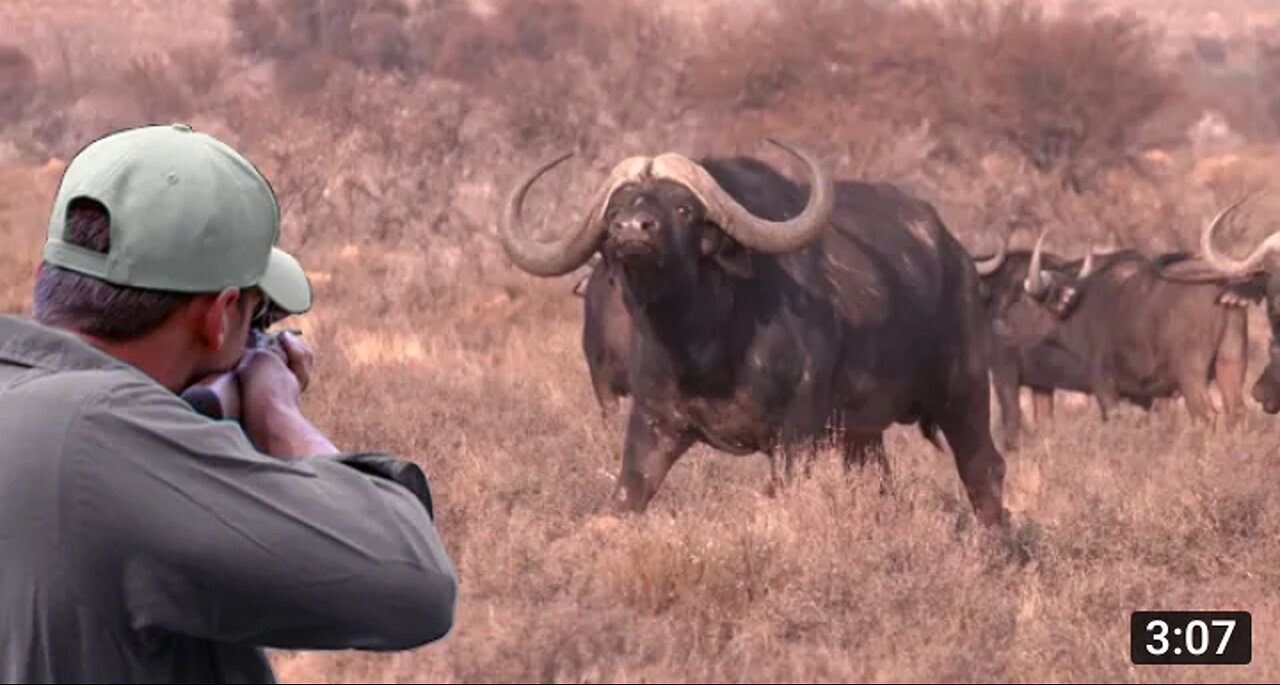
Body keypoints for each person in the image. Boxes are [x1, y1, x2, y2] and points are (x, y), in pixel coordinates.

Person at [0, 123, 458, 683]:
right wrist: (278, 414)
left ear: (45, 276)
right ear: (218, 317)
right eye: (256, 320)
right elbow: (411, 582)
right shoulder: (102, 439)